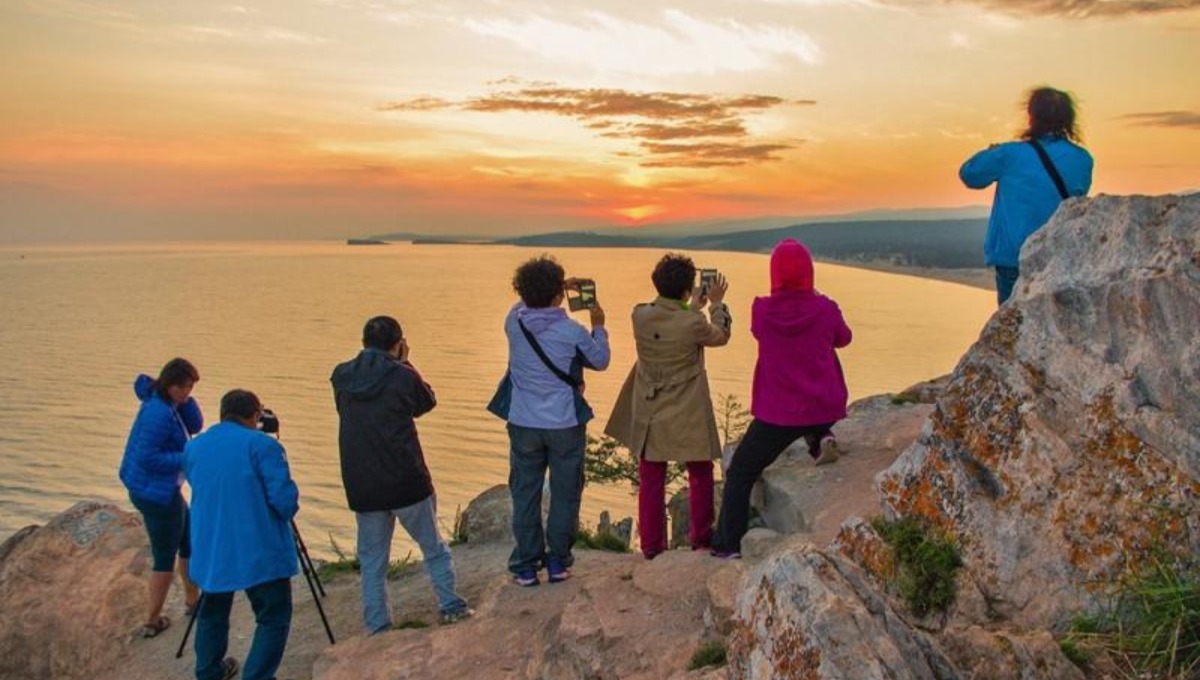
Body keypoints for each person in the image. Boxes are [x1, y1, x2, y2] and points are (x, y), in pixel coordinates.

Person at [710, 239, 853, 558]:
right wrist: (819, 301)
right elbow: (844, 338)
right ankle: (820, 437)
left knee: (741, 471)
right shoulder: (825, 309)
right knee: (821, 369)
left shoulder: (762, 310)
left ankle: (728, 544)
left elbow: (760, 332)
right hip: (822, 405)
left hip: (778, 415)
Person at [331, 316, 471, 631]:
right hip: (406, 478)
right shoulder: (401, 376)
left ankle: (378, 625)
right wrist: (406, 364)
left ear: (364, 342)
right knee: (433, 547)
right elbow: (426, 402)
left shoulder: (341, 376)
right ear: (398, 344)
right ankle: (450, 605)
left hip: (362, 482)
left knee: (372, 562)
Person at [489, 255, 610, 586]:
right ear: (560, 294)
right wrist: (599, 324)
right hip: (564, 423)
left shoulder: (514, 323)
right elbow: (600, 361)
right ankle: (557, 562)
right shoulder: (571, 330)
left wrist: (544, 290)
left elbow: (523, 304)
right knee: (565, 492)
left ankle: (526, 566)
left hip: (523, 422)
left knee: (525, 493)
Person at [605, 253, 731, 560]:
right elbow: (721, 335)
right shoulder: (693, 322)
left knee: (651, 473)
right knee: (699, 469)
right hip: (686, 404)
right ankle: (700, 537)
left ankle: (651, 545)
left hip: (650, 404)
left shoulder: (640, 315)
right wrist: (715, 304)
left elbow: (672, 320)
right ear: (688, 290)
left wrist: (690, 305)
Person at [185, 389, 299, 680]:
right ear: (254, 416)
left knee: (212, 612)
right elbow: (284, 502)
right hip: (258, 547)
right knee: (273, 615)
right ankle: (258, 676)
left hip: (211, 547)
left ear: (223, 414)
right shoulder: (262, 446)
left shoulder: (194, 447)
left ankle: (209, 672)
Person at [960, 86, 1094, 304]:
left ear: (1032, 116)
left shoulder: (1010, 154)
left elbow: (969, 175)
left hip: (1014, 257)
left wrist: (991, 152)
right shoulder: (1083, 159)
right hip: (1058, 255)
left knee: (1013, 327)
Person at [118, 357, 202, 638]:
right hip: (155, 492)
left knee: (188, 538)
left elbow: (196, 425)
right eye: (186, 387)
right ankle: (152, 621)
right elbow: (147, 457)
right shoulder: (158, 412)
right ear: (172, 385)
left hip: (162, 488)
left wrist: (186, 402)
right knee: (165, 555)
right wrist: (187, 457)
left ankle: (193, 598)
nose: (189, 392)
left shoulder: (169, 404)